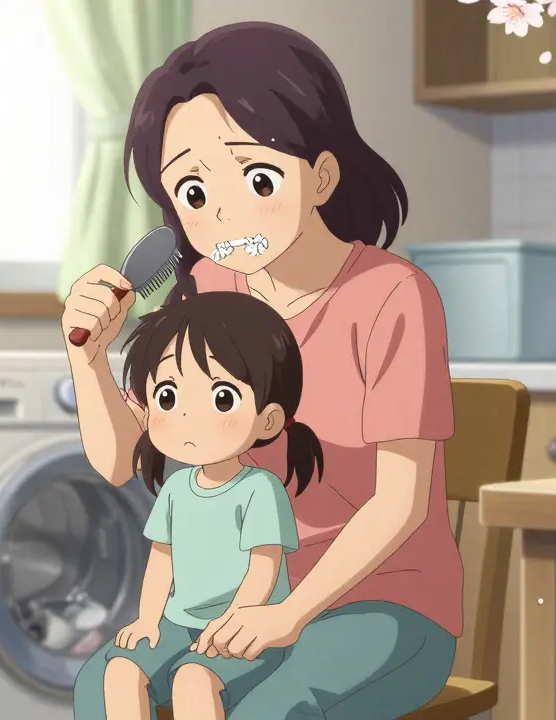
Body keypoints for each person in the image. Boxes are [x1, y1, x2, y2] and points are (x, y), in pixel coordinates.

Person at [63, 20, 461, 720]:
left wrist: (293, 613)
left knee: (270, 710)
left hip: (383, 609)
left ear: (322, 175)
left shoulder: (392, 294)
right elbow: (123, 459)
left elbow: (400, 501)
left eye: (255, 176)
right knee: (106, 682)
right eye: (191, 192)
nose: (222, 211)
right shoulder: (206, 291)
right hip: (231, 601)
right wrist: (88, 358)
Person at [91, 290, 322, 720]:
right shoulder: (177, 488)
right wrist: (148, 619)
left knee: (192, 680)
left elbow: (263, 567)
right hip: (180, 622)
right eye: (168, 397)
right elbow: (162, 559)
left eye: (221, 399)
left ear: (267, 420)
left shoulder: (259, 489)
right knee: (120, 671)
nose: (186, 418)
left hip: (246, 627)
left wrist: (234, 622)